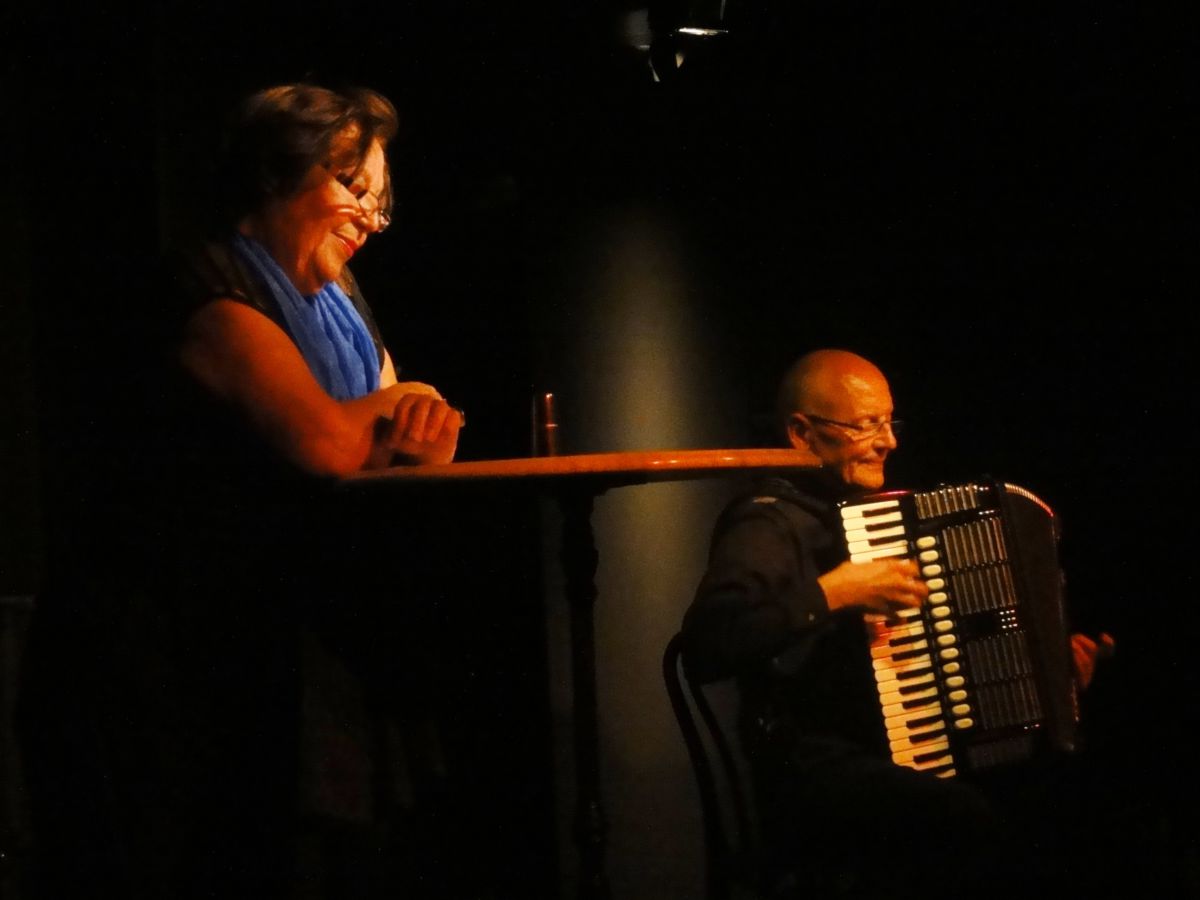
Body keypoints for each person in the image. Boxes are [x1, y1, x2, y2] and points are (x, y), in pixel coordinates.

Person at [17, 83, 465, 900]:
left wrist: (406, 424)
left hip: (288, 654)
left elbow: (416, 443)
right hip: (166, 666)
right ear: (275, 174)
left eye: (380, 200)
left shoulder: (344, 304)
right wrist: (403, 406)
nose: (370, 217)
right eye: (353, 189)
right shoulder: (212, 292)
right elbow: (330, 443)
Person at [682, 348, 1113, 899]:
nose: (890, 442)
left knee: (1053, 787)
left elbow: (948, 664)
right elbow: (707, 644)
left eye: (889, 422)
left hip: (882, 746)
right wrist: (833, 591)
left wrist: (1046, 681)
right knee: (964, 821)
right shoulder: (768, 522)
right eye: (867, 426)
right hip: (812, 766)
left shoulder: (870, 517)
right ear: (800, 432)